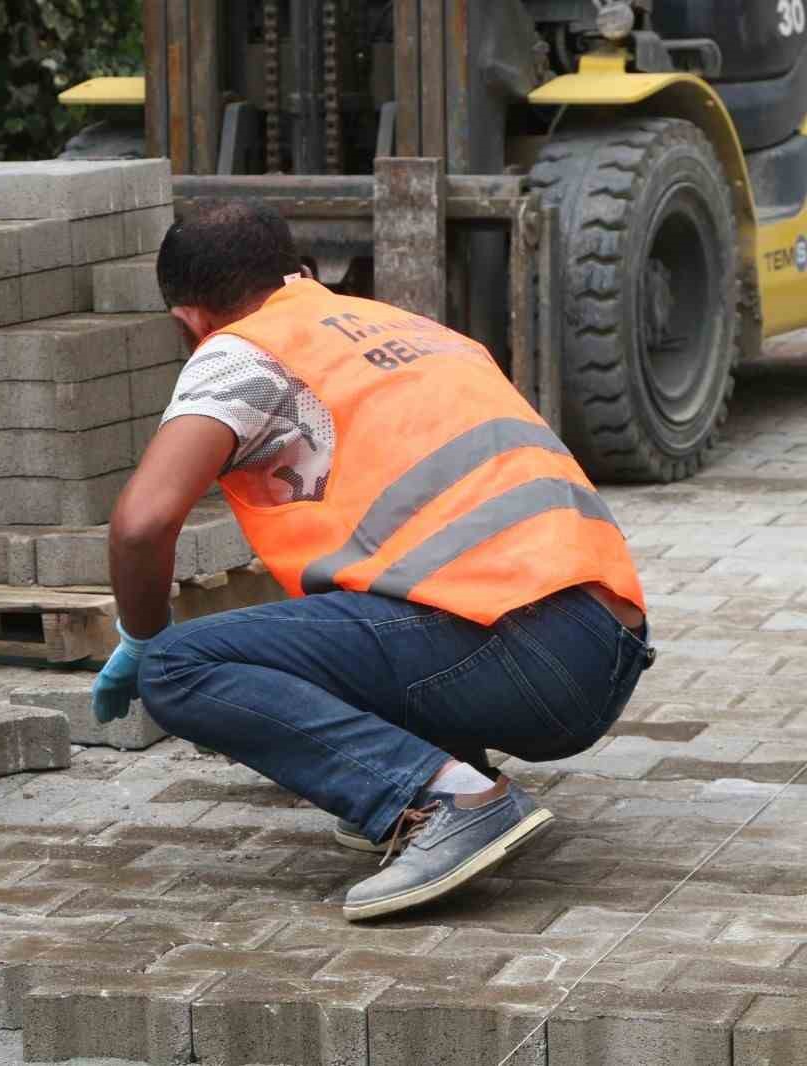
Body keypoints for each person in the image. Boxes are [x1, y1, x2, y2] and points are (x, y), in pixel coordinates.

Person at [90, 200, 654, 921]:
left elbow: (140, 525)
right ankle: (451, 767)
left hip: (518, 648)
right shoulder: (407, 328)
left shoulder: (241, 351)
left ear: (190, 321)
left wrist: (142, 639)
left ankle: (453, 800)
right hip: (602, 646)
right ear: (300, 272)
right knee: (334, 614)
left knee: (183, 666)